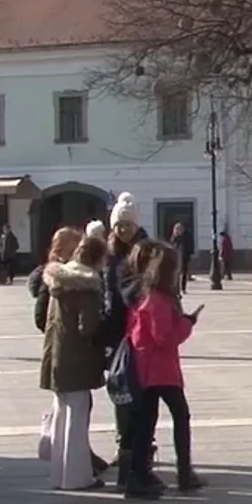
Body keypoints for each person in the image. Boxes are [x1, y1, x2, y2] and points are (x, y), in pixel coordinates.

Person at [125, 243, 205, 498]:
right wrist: (187, 323)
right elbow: (165, 338)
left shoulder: (149, 295)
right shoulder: (158, 300)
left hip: (150, 368)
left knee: (146, 421)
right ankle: (182, 473)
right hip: (158, 369)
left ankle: (138, 475)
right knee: (179, 416)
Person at [40, 236, 109, 491]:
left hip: (56, 356)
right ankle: (77, 477)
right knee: (76, 420)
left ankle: (59, 474)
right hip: (77, 359)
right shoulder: (86, 285)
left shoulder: (59, 280)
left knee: (61, 416)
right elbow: (88, 326)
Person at [103, 193, 153, 488]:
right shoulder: (109, 253)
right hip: (117, 333)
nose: (123, 230)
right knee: (122, 391)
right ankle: (125, 447)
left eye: (128, 225)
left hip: (141, 329)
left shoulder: (147, 251)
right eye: (119, 225)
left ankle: (142, 450)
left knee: (143, 393)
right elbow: (107, 294)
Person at [170, 223, 192, 294]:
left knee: (184, 273)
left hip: (184, 257)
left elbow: (189, 246)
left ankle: (183, 288)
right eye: (177, 229)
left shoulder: (186, 237)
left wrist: (189, 255)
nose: (178, 231)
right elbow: (172, 246)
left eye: (180, 229)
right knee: (175, 274)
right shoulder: (174, 238)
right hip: (176, 257)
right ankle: (176, 288)